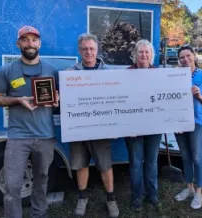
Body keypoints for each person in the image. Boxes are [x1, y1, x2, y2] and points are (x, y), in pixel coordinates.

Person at [0, 26, 58, 218]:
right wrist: (17, 100)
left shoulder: (51, 70)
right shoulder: (7, 70)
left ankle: (39, 213)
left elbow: (60, 97)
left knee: (42, 178)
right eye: (25, 39)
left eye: (34, 40)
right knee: (12, 184)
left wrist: (57, 98)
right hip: (17, 137)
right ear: (18, 43)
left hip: (45, 136)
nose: (30, 43)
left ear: (39, 43)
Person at [68, 33, 119, 218]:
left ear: (97, 50)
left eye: (92, 48)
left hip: (101, 129)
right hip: (79, 129)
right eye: (85, 49)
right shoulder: (70, 74)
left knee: (105, 166)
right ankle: (82, 198)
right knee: (81, 165)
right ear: (79, 51)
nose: (88, 52)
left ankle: (111, 199)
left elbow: (117, 101)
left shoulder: (109, 73)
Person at [174, 46, 202, 209]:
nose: (185, 59)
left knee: (197, 157)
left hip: (198, 123)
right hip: (179, 123)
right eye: (182, 57)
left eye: (188, 55)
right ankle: (189, 188)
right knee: (185, 157)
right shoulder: (174, 76)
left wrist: (199, 96)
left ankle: (198, 192)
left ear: (194, 56)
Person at [124, 39, 162, 212]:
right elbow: (122, 101)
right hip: (133, 128)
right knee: (136, 163)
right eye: (141, 52)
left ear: (151, 55)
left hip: (154, 127)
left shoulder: (159, 74)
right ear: (135, 54)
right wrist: (127, 125)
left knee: (152, 162)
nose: (144, 55)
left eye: (147, 52)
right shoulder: (126, 74)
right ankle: (136, 197)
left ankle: (152, 195)